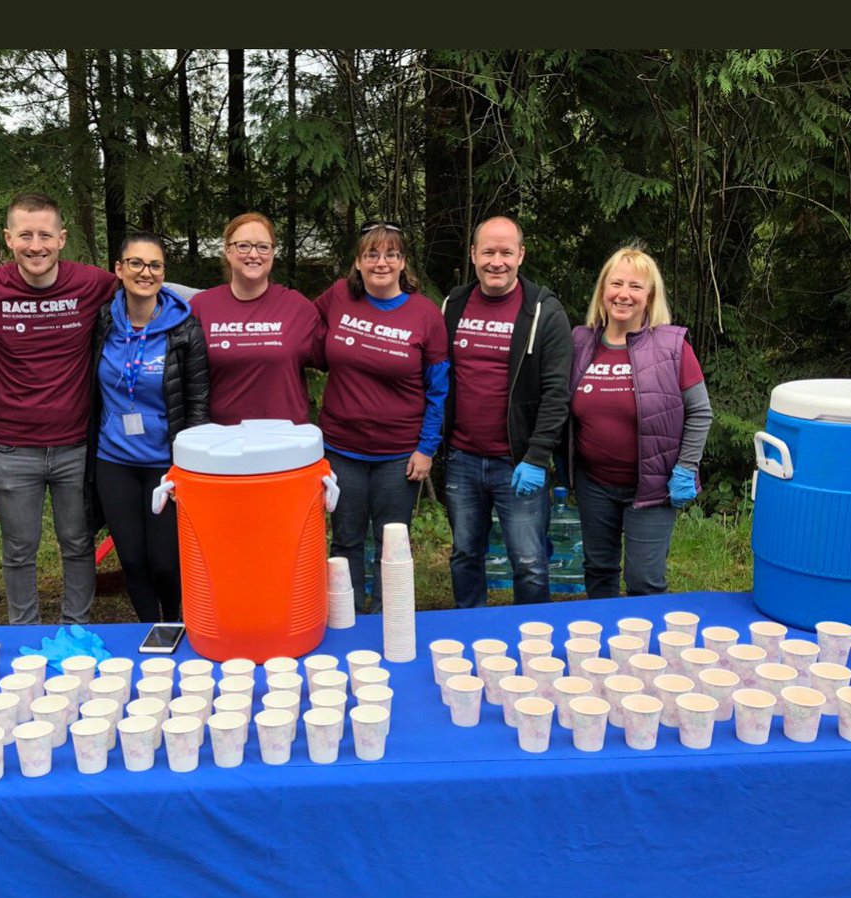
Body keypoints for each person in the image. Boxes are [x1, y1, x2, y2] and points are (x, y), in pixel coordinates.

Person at [0, 193, 116, 627]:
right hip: (12, 448)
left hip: (76, 446)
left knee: (77, 543)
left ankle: (76, 628)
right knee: (19, 548)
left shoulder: (92, 283)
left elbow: (148, 288)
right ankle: (24, 631)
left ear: (62, 239)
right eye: (26, 235)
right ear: (9, 239)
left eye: (45, 235)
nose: (36, 245)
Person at [315, 221, 449, 613]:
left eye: (391, 254)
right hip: (340, 449)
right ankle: (349, 617)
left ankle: (388, 619)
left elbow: (439, 389)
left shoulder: (424, 314)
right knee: (345, 541)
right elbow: (294, 320)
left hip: (398, 454)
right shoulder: (339, 296)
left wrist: (427, 449)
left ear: (403, 262)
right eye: (371, 254)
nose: (381, 262)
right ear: (357, 262)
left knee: (392, 543)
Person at [440, 216, 573, 608]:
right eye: (488, 252)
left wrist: (537, 456)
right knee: (465, 554)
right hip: (462, 459)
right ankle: (471, 630)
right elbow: (438, 377)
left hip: (517, 463)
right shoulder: (454, 304)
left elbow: (556, 393)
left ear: (521, 255)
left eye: (506, 252)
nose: (496, 261)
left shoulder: (544, 312)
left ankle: (533, 642)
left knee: (530, 562)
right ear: (473, 255)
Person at [567, 246, 713, 598]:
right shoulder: (579, 342)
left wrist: (685, 468)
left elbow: (700, 412)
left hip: (651, 487)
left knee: (644, 582)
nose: (624, 294)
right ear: (603, 290)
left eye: (635, 286)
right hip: (594, 484)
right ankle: (599, 648)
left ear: (649, 296)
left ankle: (647, 652)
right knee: (598, 572)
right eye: (616, 283)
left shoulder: (672, 346)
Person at [87, 232, 209, 622]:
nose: (146, 272)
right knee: (133, 558)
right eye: (136, 263)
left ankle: (172, 620)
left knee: (165, 561)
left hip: (165, 465)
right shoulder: (103, 322)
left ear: (163, 273)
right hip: (114, 460)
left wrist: (187, 468)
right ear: (119, 269)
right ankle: (148, 624)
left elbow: (197, 406)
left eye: (155, 265)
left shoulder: (184, 329)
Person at [189, 212, 326, 424]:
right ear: (227, 250)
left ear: (272, 253)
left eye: (263, 247)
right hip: (221, 443)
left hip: (285, 443)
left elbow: (341, 359)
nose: (254, 254)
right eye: (243, 246)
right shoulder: (200, 307)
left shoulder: (298, 308)